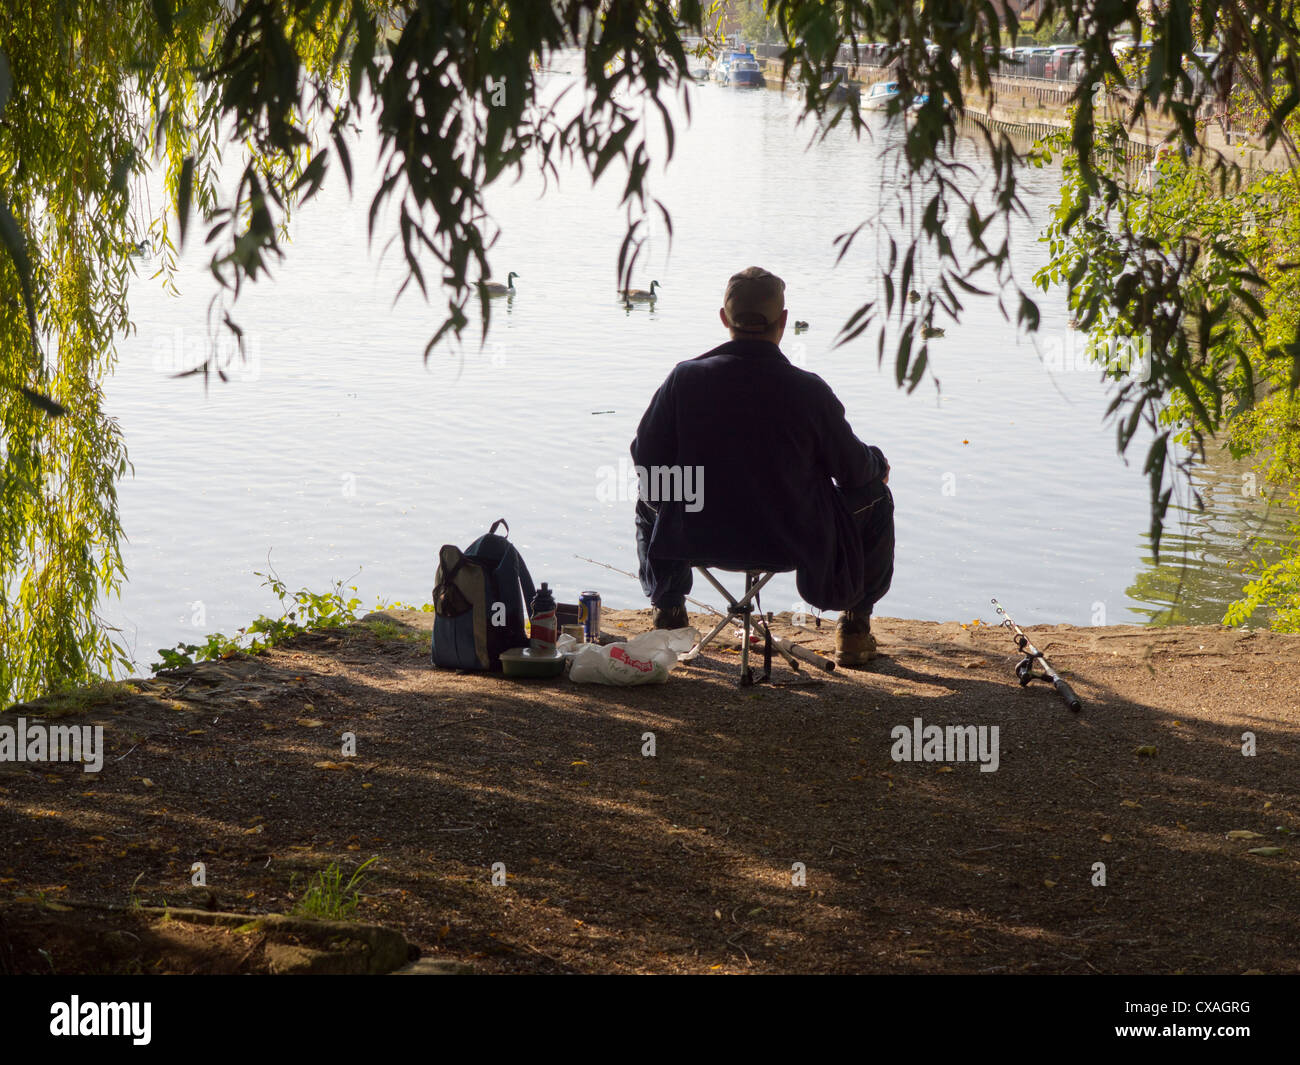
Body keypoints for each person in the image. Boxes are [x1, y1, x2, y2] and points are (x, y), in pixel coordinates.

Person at [631, 266, 894, 666]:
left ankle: (669, 613)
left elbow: (645, 458)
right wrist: (878, 461)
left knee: (653, 490)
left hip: (696, 538)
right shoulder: (809, 390)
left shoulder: (684, 379)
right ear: (783, 321)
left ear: (724, 319)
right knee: (877, 494)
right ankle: (855, 627)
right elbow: (856, 472)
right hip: (793, 542)